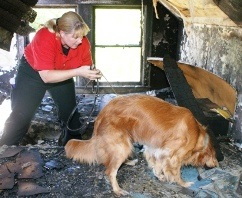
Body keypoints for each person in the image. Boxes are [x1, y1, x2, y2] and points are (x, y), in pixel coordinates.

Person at [0, 11, 102, 146]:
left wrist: (92, 72)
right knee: (21, 115)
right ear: (62, 33)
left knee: (71, 114)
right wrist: (78, 71)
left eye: (82, 36)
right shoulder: (44, 36)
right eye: (75, 37)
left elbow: (86, 65)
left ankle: (71, 148)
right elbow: (47, 76)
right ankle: (5, 148)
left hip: (62, 72)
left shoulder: (83, 42)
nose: (80, 40)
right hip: (33, 74)